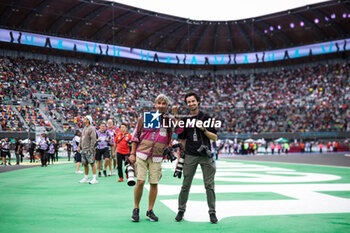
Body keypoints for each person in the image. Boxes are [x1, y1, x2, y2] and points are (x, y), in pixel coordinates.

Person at [129, 94, 182, 222]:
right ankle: (136, 208)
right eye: (159, 103)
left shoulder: (169, 120)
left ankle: (150, 210)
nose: (161, 106)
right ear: (155, 104)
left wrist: (176, 115)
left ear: (167, 106)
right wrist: (132, 153)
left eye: (164, 104)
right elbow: (136, 136)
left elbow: (180, 130)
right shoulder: (145, 117)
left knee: (154, 183)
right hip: (142, 153)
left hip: (158, 156)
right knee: (140, 181)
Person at [175, 91, 218, 224]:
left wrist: (204, 129)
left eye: (193, 101)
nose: (191, 103)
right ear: (187, 104)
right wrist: (179, 159)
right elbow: (182, 141)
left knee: (209, 185)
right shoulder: (184, 120)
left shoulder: (207, 117)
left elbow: (215, 137)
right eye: (189, 102)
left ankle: (212, 212)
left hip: (206, 156)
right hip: (190, 155)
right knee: (185, 185)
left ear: (198, 102)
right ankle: (181, 210)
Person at [79, 115, 98, 184]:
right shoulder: (84, 128)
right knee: (85, 164)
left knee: (92, 163)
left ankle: (94, 178)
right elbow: (81, 138)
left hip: (89, 148)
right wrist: (79, 146)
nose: (83, 119)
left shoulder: (91, 128)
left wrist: (92, 148)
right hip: (83, 149)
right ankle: (86, 177)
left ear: (88, 120)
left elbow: (93, 138)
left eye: (85, 119)